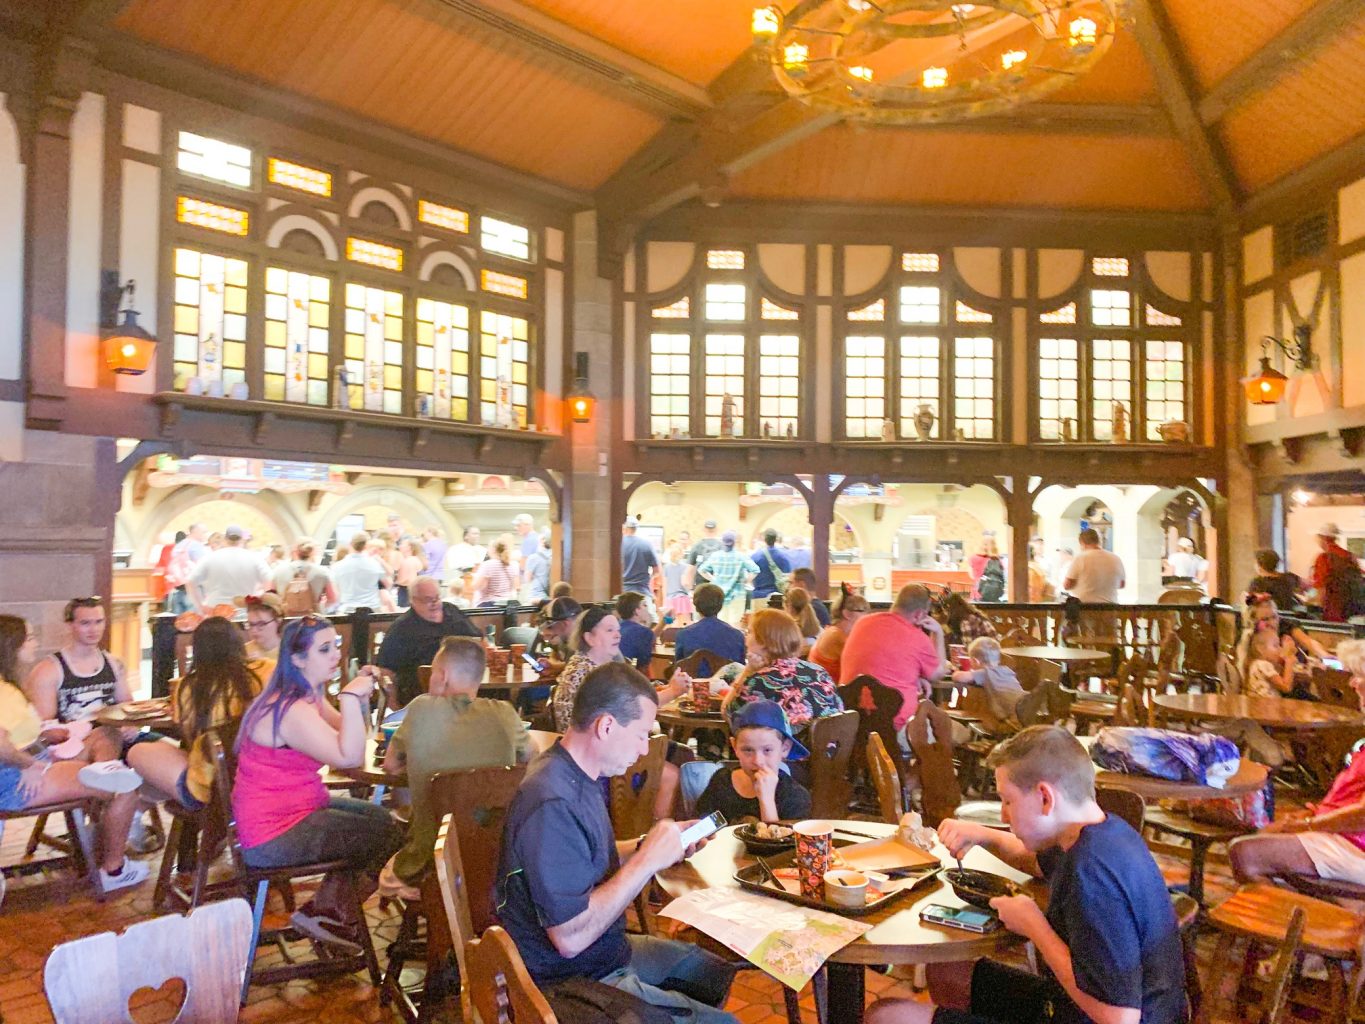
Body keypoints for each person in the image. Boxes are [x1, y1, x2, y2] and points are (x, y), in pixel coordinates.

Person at [868, 726, 1186, 1024]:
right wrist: (983, 835)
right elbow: (1033, 861)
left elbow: (1120, 1017)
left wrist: (1036, 927)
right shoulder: (1102, 832)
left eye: (1008, 801)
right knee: (948, 971)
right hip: (1067, 1004)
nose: (1004, 815)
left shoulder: (1091, 877)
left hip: (1102, 1015)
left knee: (887, 1014)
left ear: (1045, 798)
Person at [496, 662, 738, 1022]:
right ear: (606, 726)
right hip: (566, 979)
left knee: (713, 972)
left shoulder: (577, 772)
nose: (644, 750)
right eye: (641, 734)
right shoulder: (552, 802)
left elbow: (587, 858)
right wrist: (647, 862)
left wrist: (648, 846)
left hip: (603, 951)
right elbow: (569, 938)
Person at [233, 617, 403, 951]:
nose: (335, 656)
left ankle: (326, 913)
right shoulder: (291, 709)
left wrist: (360, 701)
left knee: (382, 822)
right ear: (296, 659)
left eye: (336, 646)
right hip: (272, 834)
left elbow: (355, 736)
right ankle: (330, 915)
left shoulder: (306, 695)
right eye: (324, 649)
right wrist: (352, 699)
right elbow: (350, 757)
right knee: (387, 834)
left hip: (294, 810)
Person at [0, 615, 149, 894]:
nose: (35, 643)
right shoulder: (4, 691)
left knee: (105, 735)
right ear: (13, 646)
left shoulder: (7, 685)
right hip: (12, 779)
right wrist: (29, 764)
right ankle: (114, 869)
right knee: (126, 787)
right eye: (30, 638)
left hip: (27, 762)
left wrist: (43, 736)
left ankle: (102, 783)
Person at [380, 636, 529, 894]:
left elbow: (390, 765)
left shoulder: (420, 709)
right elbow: (528, 757)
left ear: (443, 675)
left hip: (427, 862)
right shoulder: (505, 713)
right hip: (496, 860)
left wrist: (422, 758)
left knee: (383, 852)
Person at [1230, 639, 1365, 886]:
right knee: (1261, 836)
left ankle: (1312, 916)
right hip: (1346, 837)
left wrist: (1309, 825)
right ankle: (1302, 910)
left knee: (1245, 853)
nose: (1352, 683)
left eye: (1359, 675)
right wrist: (1309, 818)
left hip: (1355, 847)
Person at [126, 616, 266, 811]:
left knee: (139, 752)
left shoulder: (188, 686)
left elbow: (189, 736)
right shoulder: (266, 670)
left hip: (210, 786)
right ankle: (136, 813)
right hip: (261, 778)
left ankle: (132, 814)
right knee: (151, 773)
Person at [839, 584, 949, 737]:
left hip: (852, 726)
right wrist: (938, 633)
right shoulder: (917, 637)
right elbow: (937, 674)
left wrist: (914, 676)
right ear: (919, 615)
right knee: (944, 730)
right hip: (897, 728)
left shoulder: (861, 623)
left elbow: (878, 664)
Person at [724, 609, 843, 730]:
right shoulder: (819, 671)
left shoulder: (759, 681)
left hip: (787, 748)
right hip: (832, 747)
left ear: (764, 641)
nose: (745, 640)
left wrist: (748, 670)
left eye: (749, 632)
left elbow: (728, 715)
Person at [697, 699, 812, 825]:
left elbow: (781, 843)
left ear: (785, 748)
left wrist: (766, 800)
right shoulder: (721, 782)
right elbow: (702, 830)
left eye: (767, 750)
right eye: (748, 750)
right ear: (735, 747)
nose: (757, 761)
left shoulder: (795, 796)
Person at [375, 577, 481, 707]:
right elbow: (385, 670)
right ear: (413, 601)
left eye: (437, 597)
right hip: (419, 697)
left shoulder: (452, 612)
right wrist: (395, 709)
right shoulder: (402, 628)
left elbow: (478, 640)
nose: (434, 603)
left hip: (466, 687)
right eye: (427, 599)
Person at [551, 607, 623, 733]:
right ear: (589, 638)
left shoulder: (584, 663)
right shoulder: (588, 673)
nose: (618, 635)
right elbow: (632, 707)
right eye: (610, 630)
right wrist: (670, 691)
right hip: (588, 745)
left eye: (618, 630)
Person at [187, 524, 269, 611]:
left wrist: (200, 606)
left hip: (216, 610)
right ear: (241, 539)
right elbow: (269, 581)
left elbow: (190, 582)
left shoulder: (210, 558)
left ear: (225, 539)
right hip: (244, 609)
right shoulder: (254, 558)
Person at [951, 636, 1025, 727]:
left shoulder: (986, 673)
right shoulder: (1007, 670)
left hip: (1010, 717)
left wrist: (955, 671)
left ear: (975, 661)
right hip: (1023, 708)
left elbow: (958, 677)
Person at [673, 583, 745, 669]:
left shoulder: (683, 635)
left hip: (692, 681)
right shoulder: (737, 635)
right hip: (727, 681)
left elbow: (679, 667)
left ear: (696, 606)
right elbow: (741, 668)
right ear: (720, 606)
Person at [698, 532, 759, 626]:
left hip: (719, 596)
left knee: (721, 623)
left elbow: (702, 570)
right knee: (735, 624)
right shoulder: (740, 556)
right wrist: (746, 580)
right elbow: (755, 570)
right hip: (737, 595)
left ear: (722, 542)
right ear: (734, 542)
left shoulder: (716, 556)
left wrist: (713, 579)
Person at [810, 584, 869, 680]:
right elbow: (864, 661)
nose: (866, 615)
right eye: (862, 610)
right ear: (847, 614)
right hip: (827, 691)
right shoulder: (837, 636)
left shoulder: (832, 631)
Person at [1311, 522, 1363, 623]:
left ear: (1323, 538)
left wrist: (1319, 608)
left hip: (1334, 612)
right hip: (1354, 611)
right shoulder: (1350, 556)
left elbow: (1321, 589)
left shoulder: (1324, 558)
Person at [331, 531, 391, 613]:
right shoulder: (375, 564)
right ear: (366, 546)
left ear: (350, 544)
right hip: (372, 609)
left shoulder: (337, 567)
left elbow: (335, 591)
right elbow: (387, 584)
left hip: (347, 610)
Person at [1063, 528, 1125, 603]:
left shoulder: (1081, 558)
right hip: (1112, 607)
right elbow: (1121, 584)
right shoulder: (1116, 558)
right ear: (1099, 541)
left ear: (1082, 543)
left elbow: (1067, 585)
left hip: (1086, 608)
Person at [272, 539, 333, 615]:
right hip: (313, 618)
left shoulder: (278, 570)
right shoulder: (322, 572)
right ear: (312, 552)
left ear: (294, 552)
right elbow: (332, 599)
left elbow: (270, 596)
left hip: (287, 618)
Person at [620, 517, 660, 621]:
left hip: (621, 591)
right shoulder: (646, 545)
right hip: (642, 590)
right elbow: (657, 571)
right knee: (651, 619)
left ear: (624, 527)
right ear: (636, 528)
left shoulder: (617, 544)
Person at [164, 523, 208, 614]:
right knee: (194, 621)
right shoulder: (196, 546)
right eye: (204, 532)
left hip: (178, 588)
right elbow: (204, 567)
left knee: (180, 622)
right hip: (193, 590)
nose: (205, 535)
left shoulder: (179, 546)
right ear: (196, 532)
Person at [535, 596, 583, 674]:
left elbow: (575, 671)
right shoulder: (571, 638)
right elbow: (571, 666)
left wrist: (553, 668)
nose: (553, 631)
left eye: (553, 626)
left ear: (564, 624)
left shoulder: (584, 644)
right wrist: (552, 665)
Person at [1244, 629, 1295, 698]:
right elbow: (1286, 687)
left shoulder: (1258, 664)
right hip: (1264, 706)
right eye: (1275, 645)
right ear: (1260, 649)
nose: (1279, 649)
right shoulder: (1262, 665)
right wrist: (1289, 662)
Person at [615, 592, 655, 673]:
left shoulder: (614, 628)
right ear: (636, 611)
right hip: (625, 675)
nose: (647, 609)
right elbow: (643, 666)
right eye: (644, 605)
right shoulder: (644, 632)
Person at [471, 540, 518, 606]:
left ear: (493, 550)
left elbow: (478, 586)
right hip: (506, 604)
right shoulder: (511, 565)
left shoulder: (488, 565)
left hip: (488, 603)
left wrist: (475, 578)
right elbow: (513, 586)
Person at [242, 593, 284, 667]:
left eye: (261, 624)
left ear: (278, 621)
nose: (254, 630)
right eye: (251, 624)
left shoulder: (289, 651)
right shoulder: (243, 651)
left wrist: (265, 664)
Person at [750, 528, 791, 602]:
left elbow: (749, 576)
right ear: (776, 539)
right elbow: (788, 576)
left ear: (764, 539)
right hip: (778, 596)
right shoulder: (783, 556)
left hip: (759, 595)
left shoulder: (756, 556)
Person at [685, 520, 724, 588]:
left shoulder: (697, 546)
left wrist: (690, 588)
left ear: (704, 529)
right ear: (716, 529)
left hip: (701, 586)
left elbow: (690, 569)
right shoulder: (722, 546)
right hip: (719, 586)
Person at [661, 543, 692, 625]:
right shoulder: (684, 567)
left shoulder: (666, 567)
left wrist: (664, 600)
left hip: (669, 599)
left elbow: (664, 585)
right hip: (682, 598)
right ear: (681, 554)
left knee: (669, 624)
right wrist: (689, 588)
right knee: (684, 624)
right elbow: (684, 582)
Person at [394, 538, 427, 609]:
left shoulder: (409, 561)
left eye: (402, 544)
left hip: (406, 593)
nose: (400, 546)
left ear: (409, 547)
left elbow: (407, 580)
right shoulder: (415, 559)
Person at [968, 535, 1001, 602]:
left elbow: (971, 576)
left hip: (977, 592)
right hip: (994, 592)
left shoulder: (973, 558)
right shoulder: (997, 560)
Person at [523, 533, 552, 604]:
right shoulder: (556, 556)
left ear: (541, 541)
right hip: (551, 594)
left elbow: (527, 579)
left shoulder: (533, 557)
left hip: (536, 595)